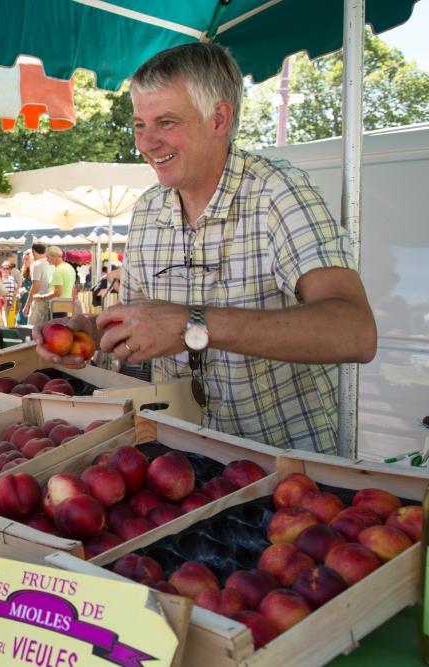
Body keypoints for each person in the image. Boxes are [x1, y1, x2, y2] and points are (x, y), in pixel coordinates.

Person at [36, 42, 376, 454]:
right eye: (139, 124)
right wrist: (90, 332)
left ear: (218, 118)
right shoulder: (148, 210)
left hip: (285, 469)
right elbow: (142, 323)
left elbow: (355, 331)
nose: (146, 143)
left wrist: (192, 325)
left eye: (166, 122)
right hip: (181, 461)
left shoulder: (277, 193)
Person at [41, 246, 76, 318]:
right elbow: (73, 289)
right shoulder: (70, 267)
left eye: (48, 257)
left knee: (55, 327)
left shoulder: (58, 270)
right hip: (66, 305)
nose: (47, 260)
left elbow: (57, 292)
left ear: (54, 257)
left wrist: (42, 297)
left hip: (57, 306)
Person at [26, 242, 53, 326]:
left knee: (33, 328)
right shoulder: (51, 263)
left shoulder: (37, 264)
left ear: (34, 251)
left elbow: (35, 286)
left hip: (39, 300)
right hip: (51, 298)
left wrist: (27, 305)